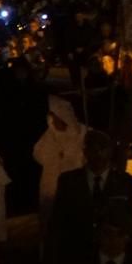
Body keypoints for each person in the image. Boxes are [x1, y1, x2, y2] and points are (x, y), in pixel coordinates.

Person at [44, 129, 132, 264]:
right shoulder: (69, 181)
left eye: (102, 148)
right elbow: (56, 224)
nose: (97, 154)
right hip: (76, 259)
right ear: (85, 151)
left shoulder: (126, 183)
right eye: (92, 148)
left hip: (109, 258)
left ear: (110, 151)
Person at [33, 97, 86, 238]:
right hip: (51, 183)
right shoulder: (50, 134)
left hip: (72, 186)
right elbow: (38, 153)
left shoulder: (80, 134)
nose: (53, 120)